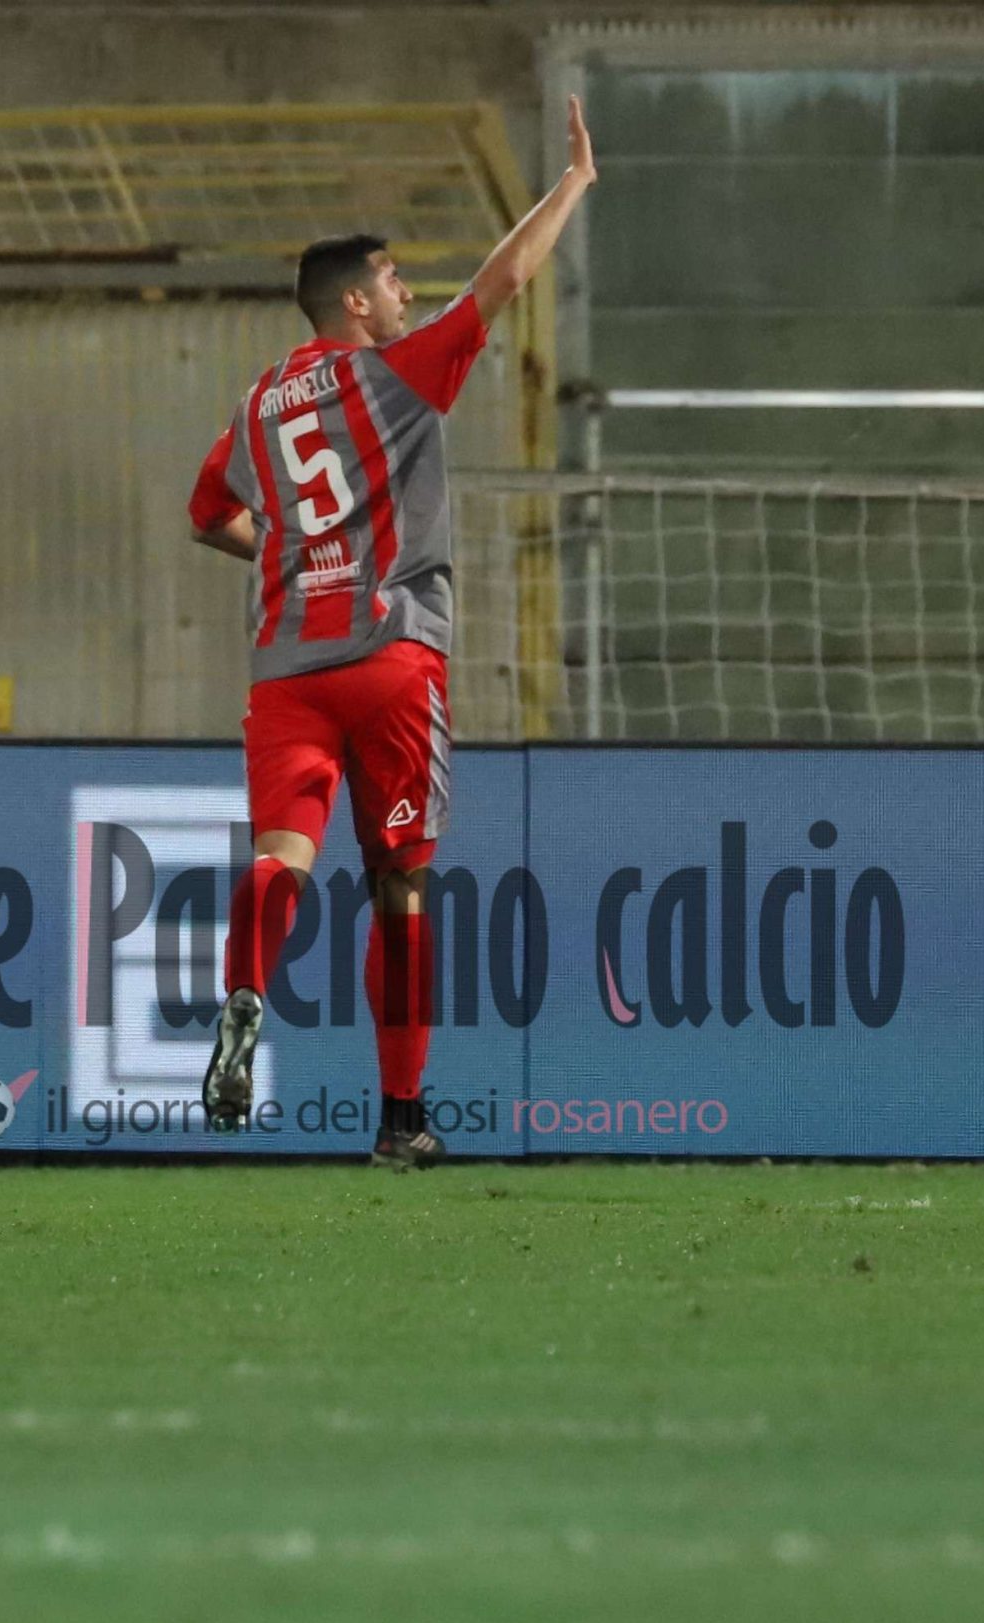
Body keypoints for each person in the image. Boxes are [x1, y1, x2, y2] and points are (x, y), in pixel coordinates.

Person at [186, 97, 599, 1170]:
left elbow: (207, 512)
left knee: (280, 855)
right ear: (354, 301)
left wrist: (285, 555)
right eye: (393, 279)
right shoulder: (393, 375)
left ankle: (243, 995)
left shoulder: (259, 402)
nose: (407, 292)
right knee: (400, 886)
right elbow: (501, 283)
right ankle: (401, 1118)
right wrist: (570, 185)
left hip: (287, 669)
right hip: (388, 655)